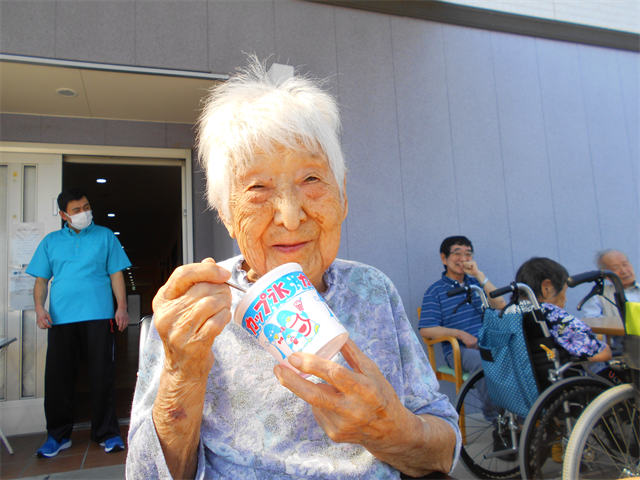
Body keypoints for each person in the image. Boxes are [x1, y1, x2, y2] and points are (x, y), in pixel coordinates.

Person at [127, 59, 460, 480]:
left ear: (342, 199)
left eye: (311, 180)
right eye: (257, 188)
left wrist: (392, 429)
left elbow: (444, 451)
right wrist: (183, 371)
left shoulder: (372, 289)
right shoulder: (194, 315)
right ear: (227, 216)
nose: (289, 215)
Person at [26, 187, 131, 457]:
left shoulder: (105, 236)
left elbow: (116, 274)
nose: (84, 213)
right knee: (59, 377)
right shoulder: (50, 242)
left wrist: (121, 307)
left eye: (86, 207)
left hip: (99, 316)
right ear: (63, 215)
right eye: (76, 210)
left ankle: (106, 434)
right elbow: (41, 280)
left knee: (101, 374)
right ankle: (58, 435)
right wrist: (39, 308)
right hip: (61, 319)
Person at [418, 236, 508, 455]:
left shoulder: (477, 284)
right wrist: (460, 335)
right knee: (485, 365)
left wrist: (478, 275)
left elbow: (501, 303)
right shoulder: (435, 291)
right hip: (461, 351)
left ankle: (525, 418)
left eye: (468, 254)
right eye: (457, 253)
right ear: (444, 258)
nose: (463, 258)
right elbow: (426, 329)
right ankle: (500, 425)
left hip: (491, 344)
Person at [514, 257, 612, 363]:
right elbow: (600, 352)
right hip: (563, 374)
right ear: (546, 287)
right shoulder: (551, 313)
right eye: (564, 292)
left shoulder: (511, 312)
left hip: (528, 375)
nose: (565, 299)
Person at [582, 249, 640, 352]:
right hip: (622, 348)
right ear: (606, 275)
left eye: (625, 264)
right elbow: (590, 320)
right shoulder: (600, 295)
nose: (623, 270)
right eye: (616, 268)